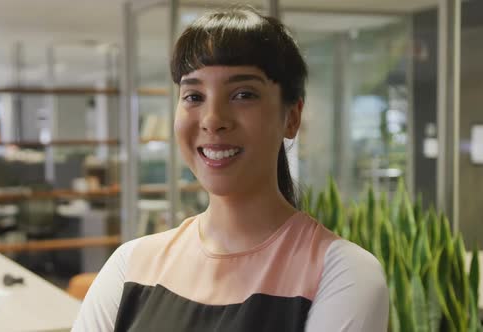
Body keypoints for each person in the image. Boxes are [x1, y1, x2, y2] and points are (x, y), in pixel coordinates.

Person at [73, 7, 388, 332]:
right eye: (193, 96)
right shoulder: (132, 266)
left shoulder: (341, 274)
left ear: (292, 117)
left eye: (243, 94)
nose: (212, 119)